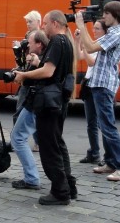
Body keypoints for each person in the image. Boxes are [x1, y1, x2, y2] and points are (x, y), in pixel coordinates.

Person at [14, 10, 77, 205]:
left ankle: (60, 192)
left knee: (49, 147)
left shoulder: (57, 41)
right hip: (60, 100)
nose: (43, 27)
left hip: (49, 102)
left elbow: (48, 71)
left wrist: (24, 75)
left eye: (46, 24)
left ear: (56, 24)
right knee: (58, 144)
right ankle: (68, 186)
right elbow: (55, 70)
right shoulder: (67, 42)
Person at [75, 1, 120, 181]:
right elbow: (90, 45)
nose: (104, 16)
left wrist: (81, 25)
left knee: (108, 127)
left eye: (107, 14)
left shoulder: (118, 34)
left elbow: (91, 47)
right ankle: (110, 162)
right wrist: (80, 35)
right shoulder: (114, 33)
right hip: (99, 83)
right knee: (104, 125)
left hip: (104, 84)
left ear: (115, 15)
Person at [10, 30, 49, 190]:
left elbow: (46, 74)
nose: (28, 44)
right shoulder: (43, 54)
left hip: (37, 101)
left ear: (39, 43)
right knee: (51, 142)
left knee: (18, 137)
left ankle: (32, 178)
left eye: (30, 42)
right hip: (40, 101)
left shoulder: (44, 58)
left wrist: (29, 71)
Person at [74, 20, 107, 165]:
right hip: (89, 84)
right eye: (94, 28)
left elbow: (91, 62)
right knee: (91, 123)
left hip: (100, 86)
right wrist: (77, 41)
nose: (94, 31)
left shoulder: (103, 44)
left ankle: (107, 155)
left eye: (98, 28)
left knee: (103, 124)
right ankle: (94, 153)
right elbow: (79, 56)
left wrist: (86, 47)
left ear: (105, 31)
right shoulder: (94, 43)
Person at [13, 10, 41, 152]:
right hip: (26, 73)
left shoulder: (40, 37)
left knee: (23, 110)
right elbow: (25, 59)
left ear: (38, 22)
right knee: (28, 111)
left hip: (31, 77)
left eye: (30, 21)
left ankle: (17, 140)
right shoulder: (27, 36)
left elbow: (36, 58)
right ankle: (35, 142)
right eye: (27, 22)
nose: (28, 24)